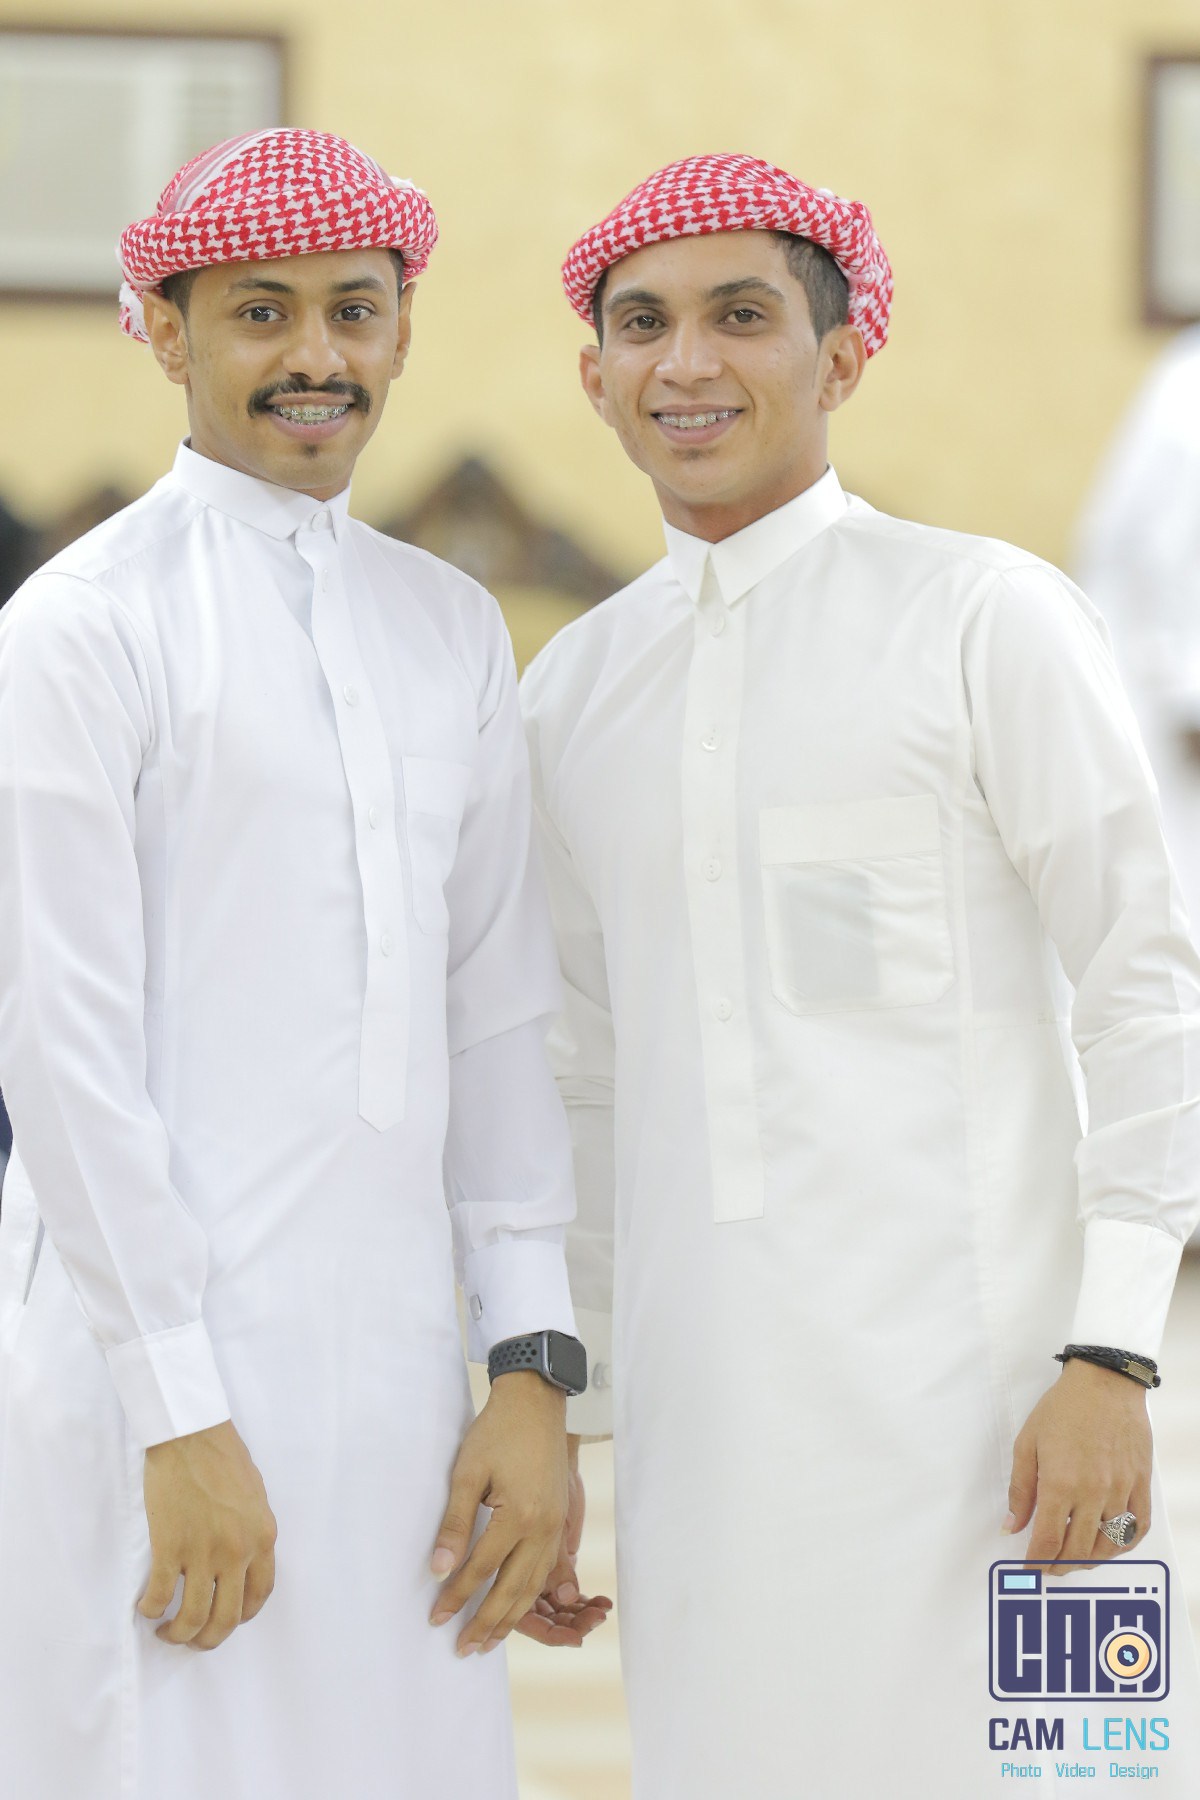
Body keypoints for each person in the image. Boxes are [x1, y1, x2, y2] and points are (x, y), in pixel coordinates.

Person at [520, 154, 1200, 1797]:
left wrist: (1114, 1355)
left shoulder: (985, 620)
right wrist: (565, 1417)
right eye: (643, 324)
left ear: (843, 353)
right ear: (596, 377)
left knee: (1060, 1778)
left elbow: (1149, 990)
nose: (688, 364)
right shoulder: (571, 697)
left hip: (1009, 1436)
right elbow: (582, 1079)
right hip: (706, 1453)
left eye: (741, 317)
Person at [0, 128, 594, 1800]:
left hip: (401, 1392)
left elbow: (497, 1020)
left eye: (354, 309)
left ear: (403, 332)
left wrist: (531, 1372)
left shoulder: (449, 626)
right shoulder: (82, 628)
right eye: (261, 312)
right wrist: (176, 1414)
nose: (315, 355)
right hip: (150, 1376)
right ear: (165, 330)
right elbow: (60, 1048)